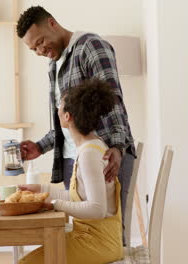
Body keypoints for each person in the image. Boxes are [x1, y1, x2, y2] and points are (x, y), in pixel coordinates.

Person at [16, 6, 135, 242]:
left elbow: (112, 100)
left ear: (52, 23)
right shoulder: (54, 64)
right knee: (83, 234)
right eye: (34, 49)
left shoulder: (90, 46)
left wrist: (118, 147)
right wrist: (40, 146)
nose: (40, 50)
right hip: (75, 159)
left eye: (40, 42)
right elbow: (68, 121)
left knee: (109, 236)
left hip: (106, 155)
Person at [19, 78, 123, 264]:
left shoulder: (89, 153)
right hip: (89, 238)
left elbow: (97, 210)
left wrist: (54, 203)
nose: (57, 109)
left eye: (60, 105)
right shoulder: (91, 146)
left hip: (98, 243)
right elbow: (80, 198)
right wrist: (42, 190)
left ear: (67, 116)